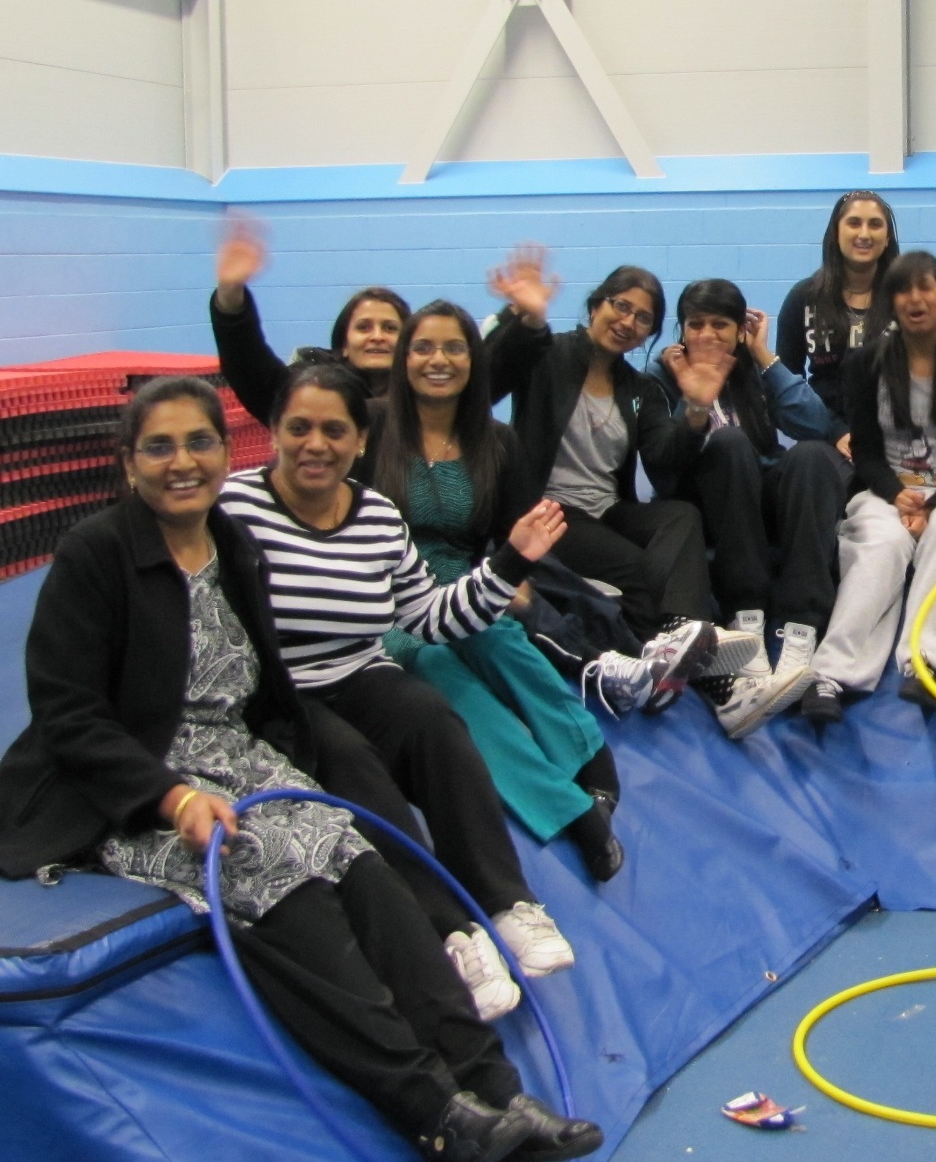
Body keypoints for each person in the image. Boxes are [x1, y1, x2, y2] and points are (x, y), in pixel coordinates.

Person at [0, 378, 601, 1161]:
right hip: (129, 783)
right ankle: (436, 1113)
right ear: (128, 463)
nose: (182, 462)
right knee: (283, 878)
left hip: (235, 756)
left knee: (361, 859)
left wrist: (305, 770)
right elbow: (69, 714)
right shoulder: (97, 553)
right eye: (159, 446)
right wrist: (171, 798)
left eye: (199, 442)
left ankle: (497, 1089)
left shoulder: (233, 545)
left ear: (226, 453)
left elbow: (263, 688)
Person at [219, 364, 578, 1020]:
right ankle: (449, 935)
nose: (315, 444)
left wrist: (510, 561)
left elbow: (431, 618)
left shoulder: (378, 518)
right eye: (299, 428)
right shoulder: (235, 508)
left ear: (361, 441)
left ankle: (507, 903)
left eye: (334, 430)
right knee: (350, 761)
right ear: (273, 432)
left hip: (358, 672)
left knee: (435, 721)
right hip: (280, 692)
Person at [369, 299, 642, 882]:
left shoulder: (495, 442)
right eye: (423, 347)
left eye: (454, 348)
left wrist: (511, 584)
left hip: (462, 583)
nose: (438, 360)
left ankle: (591, 758)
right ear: (403, 358)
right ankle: (572, 813)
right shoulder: (371, 429)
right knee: (438, 666)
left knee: (499, 638)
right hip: (383, 601)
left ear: (474, 360)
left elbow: (512, 536)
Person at [484, 253, 754, 692]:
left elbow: (664, 456)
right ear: (597, 306)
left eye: (643, 318)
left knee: (681, 515)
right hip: (550, 511)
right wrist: (525, 319)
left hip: (607, 509)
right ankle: (679, 657)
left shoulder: (639, 388)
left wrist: (696, 408)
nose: (629, 322)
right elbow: (487, 380)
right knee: (641, 572)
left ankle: (685, 633)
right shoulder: (547, 354)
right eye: (621, 306)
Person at [804, 251, 936, 724]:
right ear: (890, 301)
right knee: (883, 542)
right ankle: (832, 673)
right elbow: (867, 452)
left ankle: (930, 665)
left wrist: (934, 505)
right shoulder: (864, 364)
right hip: (887, 492)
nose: (915, 299)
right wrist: (896, 494)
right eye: (903, 290)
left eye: (925, 287)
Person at [647, 279, 848, 738]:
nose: (707, 335)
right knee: (730, 443)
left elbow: (815, 423)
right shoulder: (661, 375)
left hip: (758, 500)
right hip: (706, 506)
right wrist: (692, 404)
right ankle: (747, 616)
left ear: (740, 330)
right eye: (696, 324)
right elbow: (663, 469)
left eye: (721, 325)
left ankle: (801, 626)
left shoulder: (751, 370)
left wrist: (763, 356)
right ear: (682, 330)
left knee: (813, 456)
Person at [209, 214, 409, 416]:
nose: (377, 336)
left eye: (390, 328)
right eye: (363, 327)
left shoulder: (421, 397)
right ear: (344, 345)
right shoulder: (312, 389)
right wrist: (230, 294)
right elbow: (255, 374)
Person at [776, 191, 901, 452]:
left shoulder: (907, 300)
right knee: (806, 456)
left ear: (888, 237)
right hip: (824, 439)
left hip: (896, 439)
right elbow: (786, 388)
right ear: (836, 231)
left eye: (875, 224)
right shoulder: (803, 298)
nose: (864, 234)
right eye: (854, 223)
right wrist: (835, 431)